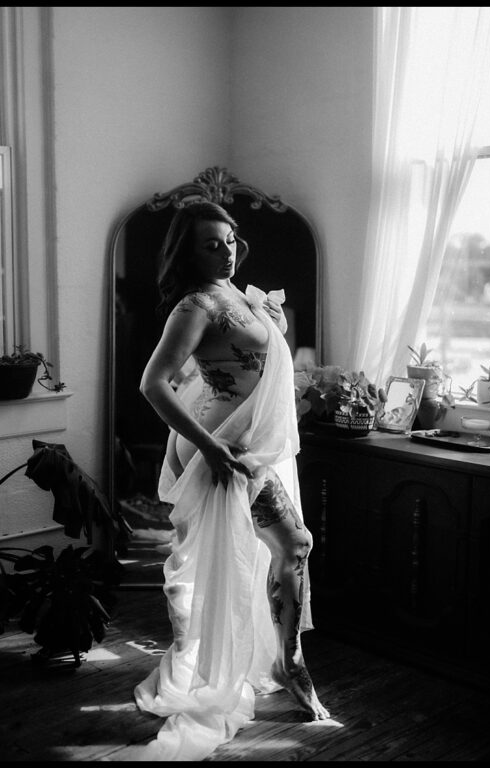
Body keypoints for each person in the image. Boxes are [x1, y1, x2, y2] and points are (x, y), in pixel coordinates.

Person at [133, 201, 329, 760]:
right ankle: (292, 666)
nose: (225, 251)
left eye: (230, 239)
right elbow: (155, 384)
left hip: (252, 447)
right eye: (210, 244)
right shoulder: (194, 306)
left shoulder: (240, 294)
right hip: (233, 451)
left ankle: (281, 660)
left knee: (278, 552)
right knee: (296, 544)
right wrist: (208, 446)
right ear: (186, 252)